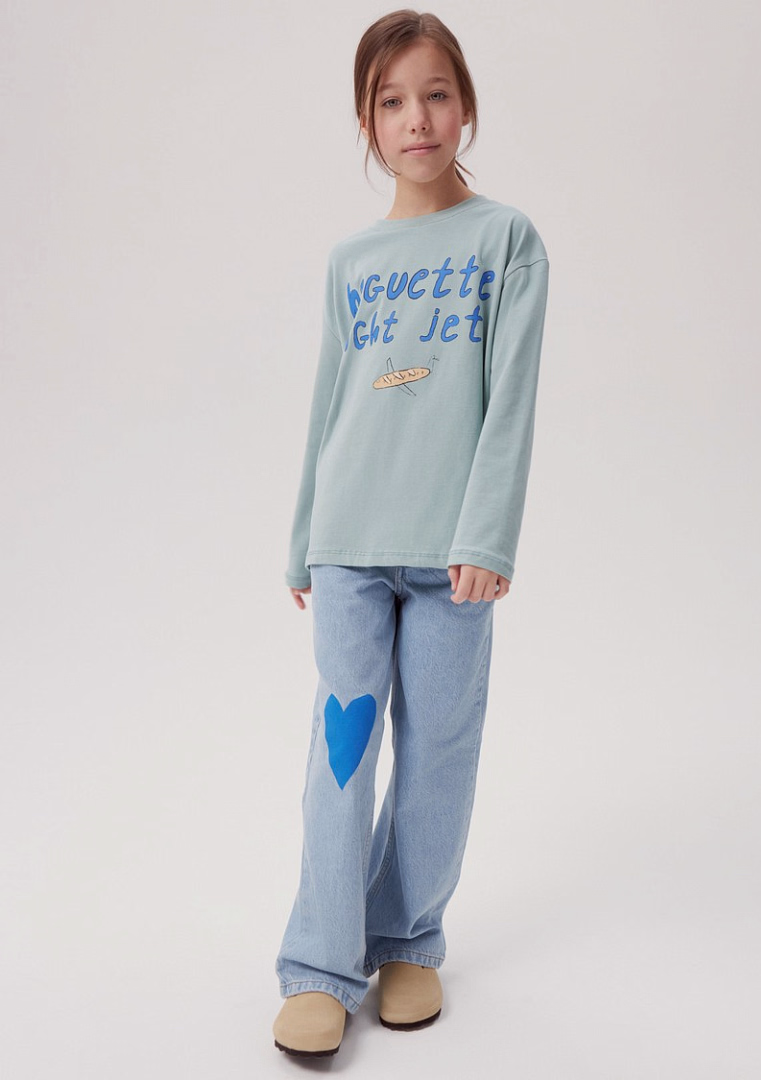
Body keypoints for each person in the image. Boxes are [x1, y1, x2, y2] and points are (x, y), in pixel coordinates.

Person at [272, 8, 550, 1058]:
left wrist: (489, 537)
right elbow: (328, 403)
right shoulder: (351, 259)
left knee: (438, 752)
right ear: (367, 122)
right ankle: (319, 963)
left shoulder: (506, 241)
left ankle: (406, 941)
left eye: (435, 95)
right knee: (343, 752)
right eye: (391, 102)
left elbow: (511, 399)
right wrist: (303, 536)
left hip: (451, 559)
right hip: (348, 543)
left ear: (465, 105)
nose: (416, 118)